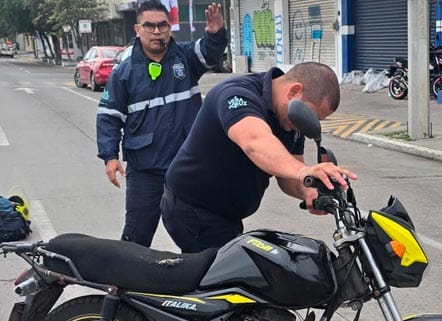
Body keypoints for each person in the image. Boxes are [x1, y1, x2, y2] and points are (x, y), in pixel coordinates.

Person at [160, 62, 359, 253]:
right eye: (307, 116)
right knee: (227, 280)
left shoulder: (290, 120)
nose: (302, 125)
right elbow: (255, 142)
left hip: (226, 214)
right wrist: (304, 171)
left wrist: (310, 190)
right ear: (293, 92)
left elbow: (290, 174)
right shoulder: (236, 95)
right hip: (194, 209)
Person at [96, 1, 227, 247]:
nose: (157, 31)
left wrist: (215, 32)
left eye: (162, 25)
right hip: (145, 169)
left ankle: (200, 281)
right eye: (150, 25)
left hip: (187, 167)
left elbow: (211, 52)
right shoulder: (124, 73)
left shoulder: (186, 58)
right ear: (138, 29)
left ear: (170, 28)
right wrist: (109, 156)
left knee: (198, 232)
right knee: (136, 236)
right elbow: (109, 116)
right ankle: (125, 282)